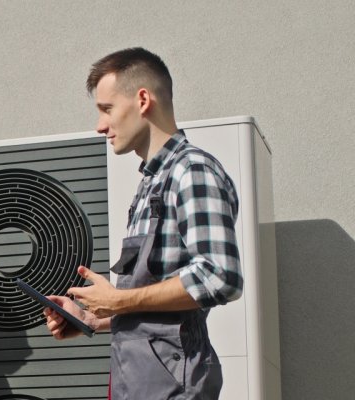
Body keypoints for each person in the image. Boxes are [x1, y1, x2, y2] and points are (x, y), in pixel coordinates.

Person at [43, 47, 242, 399]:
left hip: (174, 388)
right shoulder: (151, 184)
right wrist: (93, 319)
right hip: (140, 383)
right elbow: (156, 310)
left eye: (107, 109)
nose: (100, 125)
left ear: (143, 100)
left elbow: (219, 277)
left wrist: (118, 301)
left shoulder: (192, 171)